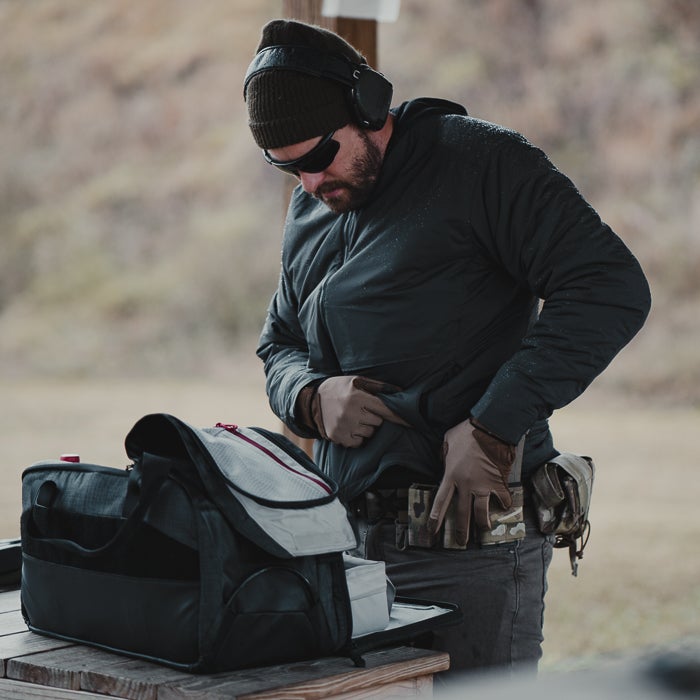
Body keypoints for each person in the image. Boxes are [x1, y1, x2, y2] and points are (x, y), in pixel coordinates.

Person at [243, 19, 651, 675]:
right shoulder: (310, 209)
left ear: (369, 110)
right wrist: (311, 397)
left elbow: (610, 288)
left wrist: (495, 426)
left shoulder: (483, 163)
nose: (312, 184)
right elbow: (280, 343)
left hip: (473, 553)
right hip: (343, 552)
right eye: (288, 168)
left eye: (320, 156)